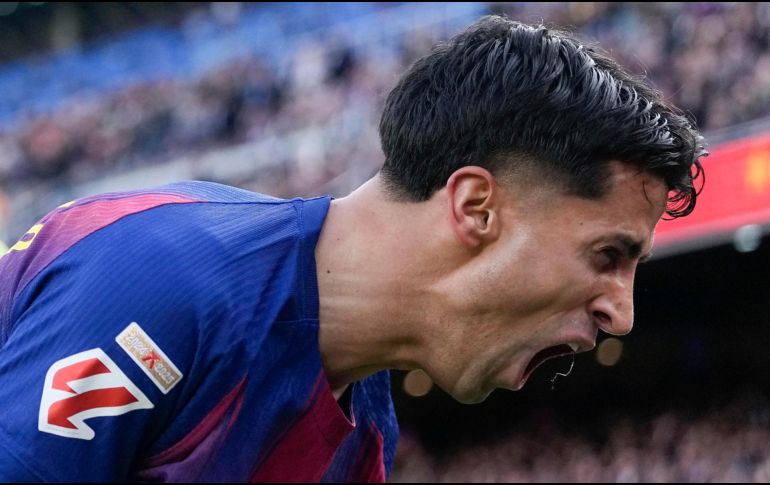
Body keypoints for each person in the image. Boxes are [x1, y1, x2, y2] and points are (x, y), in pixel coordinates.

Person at [0, 15, 705, 482]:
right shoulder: (164, 281)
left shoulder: (363, 436)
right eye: (608, 256)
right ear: (474, 206)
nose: (622, 314)